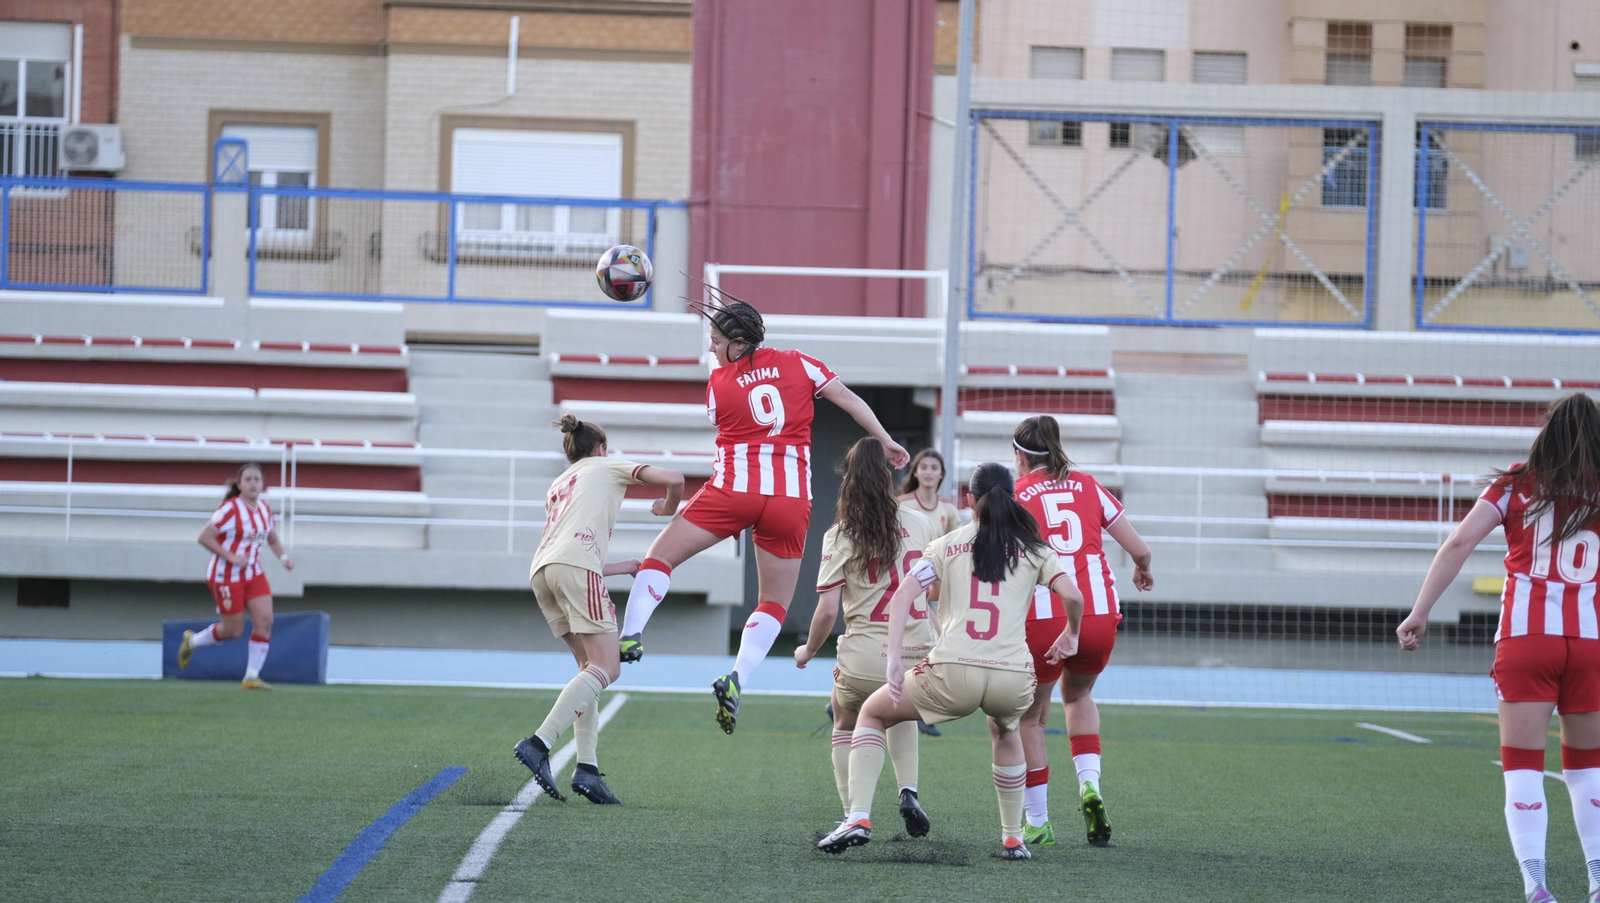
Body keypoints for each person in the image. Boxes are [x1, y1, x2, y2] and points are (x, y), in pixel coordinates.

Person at [616, 294, 909, 734]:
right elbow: (848, 400)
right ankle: (738, 678)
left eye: (716, 340)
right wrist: (885, 440)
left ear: (737, 342)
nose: (711, 349)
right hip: (789, 500)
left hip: (733, 490)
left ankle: (632, 634)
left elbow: (729, 419)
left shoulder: (719, 382)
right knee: (773, 601)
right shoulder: (802, 362)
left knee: (660, 557)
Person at [817, 462, 1084, 860]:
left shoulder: (949, 543)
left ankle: (858, 816)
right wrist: (1072, 635)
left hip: (954, 669)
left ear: (970, 501)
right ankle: (1013, 838)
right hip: (1012, 676)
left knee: (872, 714)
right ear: (1012, 498)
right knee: (1007, 732)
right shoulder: (1036, 547)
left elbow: (905, 595)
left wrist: (894, 659)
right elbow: (1074, 596)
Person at [1398, 394, 1600, 903]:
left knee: (1523, 764)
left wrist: (1420, 611)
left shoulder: (1514, 484)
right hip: (1593, 641)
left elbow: (1459, 543)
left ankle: (1537, 887)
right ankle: (1598, 884)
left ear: (1545, 433)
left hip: (1527, 640)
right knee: (1588, 767)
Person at [514, 415, 684, 805]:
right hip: (573, 569)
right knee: (607, 668)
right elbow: (674, 478)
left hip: (543, 571)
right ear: (601, 449)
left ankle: (586, 769)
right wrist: (667, 508)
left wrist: (622, 566)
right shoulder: (608, 465)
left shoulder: (560, 483)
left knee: (588, 669)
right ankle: (539, 743)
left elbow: (567, 549)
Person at [1010, 415, 1153, 846]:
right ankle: (1089, 785)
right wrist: (1143, 570)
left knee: (1031, 720)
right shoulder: (1089, 485)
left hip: (1045, 613)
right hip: (1097, 613)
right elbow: (1140, 550)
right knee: (1079, 696)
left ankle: (1038, 822)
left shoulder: (1015, 495)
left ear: (1019, 456)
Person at [795, 438, 939, 836]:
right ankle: (908, 790)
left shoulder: (840, 534)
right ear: (888, 475)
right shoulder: (920, 521)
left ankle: (853, 813)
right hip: (917, 653)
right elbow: (931, 591)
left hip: (864, 656)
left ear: (850, 478)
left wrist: (807, 650)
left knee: (845, 720)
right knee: (899, 707)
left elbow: (826, 611)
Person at [177, 463, 291, 690]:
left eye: (257, 479)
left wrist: (283, 557)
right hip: (225, 576)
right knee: (233, 630)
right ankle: (192, 641)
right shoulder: (230, 509)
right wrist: (230, 556)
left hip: (253, 573)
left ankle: (251, 677)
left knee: (265, 620)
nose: (252, 483)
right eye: (248, 479)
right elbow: (204, 537)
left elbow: (272, 538)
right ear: (239, 485)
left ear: (262, 484)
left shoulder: (265, 510)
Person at [899, 447, 963, 534]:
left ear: (942, 474)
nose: (928, 472)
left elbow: (957, 540)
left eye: (934, 468)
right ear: (915, 472)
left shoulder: (949, 507)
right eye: (923, 467)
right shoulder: (901, 505)